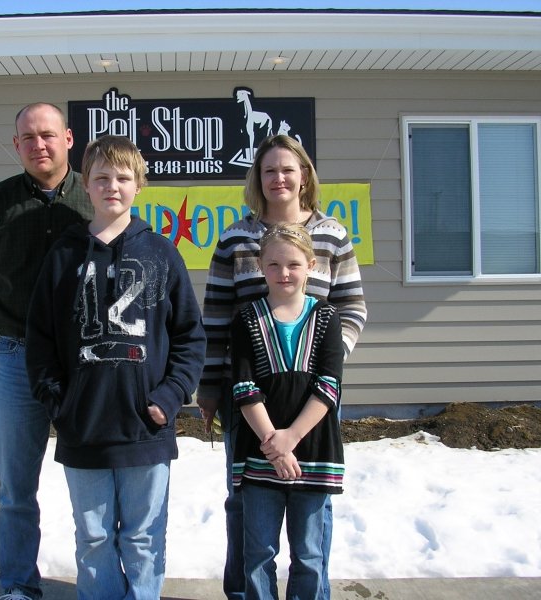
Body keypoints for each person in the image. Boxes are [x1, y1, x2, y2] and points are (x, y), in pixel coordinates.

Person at [25, 135, 206, 600]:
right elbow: (40, 340)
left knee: (143, 536)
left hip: (146, 427)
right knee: (94, 537)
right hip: (83, 426)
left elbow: (190, 336)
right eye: (102, 177)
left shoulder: (162, 253)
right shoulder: (63, 255)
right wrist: (59, 402)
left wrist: (170, 397)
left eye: (123, 177)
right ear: (85, 184)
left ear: (139, 186)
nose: (112, 186)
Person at [198, 134, 366, 599]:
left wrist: (321, 357)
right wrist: (209, 386)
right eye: (269, 170)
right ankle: (244, 592)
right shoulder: (236, 237)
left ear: (304, 175)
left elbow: (352, 307)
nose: (279, 178)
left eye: (288, 169)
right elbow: (217, 315)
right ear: (258, 178)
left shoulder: (332, 235)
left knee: (313, 509)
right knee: (246, 501)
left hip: (314, 396)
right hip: (247, 394)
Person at [0, 102, 93, 600]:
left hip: (86, 362)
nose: (39, 144)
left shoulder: (95, 197)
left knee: (93, 484)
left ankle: (99, 584)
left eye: (48, 134)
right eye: (28, 137)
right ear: (16, 144)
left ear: (68, 138)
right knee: (16, 488)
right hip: (17, 360)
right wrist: (15, 324)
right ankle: (19, 585)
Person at [230, 223, 345, 600]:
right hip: (259, 452)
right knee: (258, 554)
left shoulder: (327, 316)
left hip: (313, 452)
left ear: (311, 266)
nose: (284, 273)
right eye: (274, 264)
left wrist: (290, 439)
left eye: (294, 264)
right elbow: (244, 387)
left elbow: (329, 385)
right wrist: (274, 445)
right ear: (260, 266)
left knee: (309, 554)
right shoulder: (247, 318)